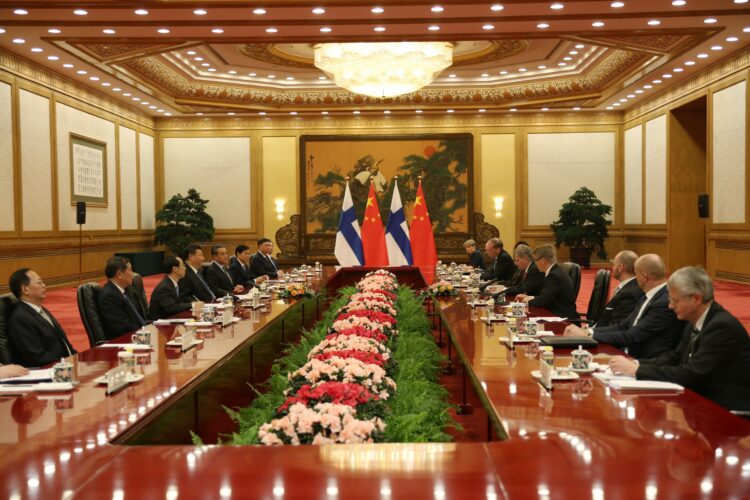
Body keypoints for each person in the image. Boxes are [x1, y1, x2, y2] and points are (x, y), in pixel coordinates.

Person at [610, 266, 750, 412]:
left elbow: (691, 374)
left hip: (727, 412)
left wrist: (638, 370)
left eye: (675, 301)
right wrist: (636, 363)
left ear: (696, 298)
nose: (670, 306)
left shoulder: (721, 326)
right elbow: (675, 357)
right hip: (701, 404)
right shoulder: (694, 319)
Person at [565, 253, 684, 358]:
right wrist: (588, 331)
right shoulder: (648, 296)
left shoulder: (663, 302)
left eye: (636, 275)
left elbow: (633, 335)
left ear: (644, 277)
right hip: (628, 354)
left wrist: (589, 334)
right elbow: (624, 325)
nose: (635, 279)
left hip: (645, 361)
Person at [7, 268, 76, 367]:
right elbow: (37, 357)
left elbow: (63, 344)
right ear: (25, 289)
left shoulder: (40, 310)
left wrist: (78, 358)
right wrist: (66, 364)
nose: (44, 285)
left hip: (66, 364)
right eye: (39, 282)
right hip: (51, 371)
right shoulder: (21, 318)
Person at [516, 244, 579, 320]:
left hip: (563, 319)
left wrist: (526, 300)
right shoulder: (555, 271)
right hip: (557, 314)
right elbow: (546, 297)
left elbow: (543, 301)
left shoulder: (554, 276)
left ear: (542, 260)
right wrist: (529, 297)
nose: (534, 263)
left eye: (535, 260)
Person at [98, 257, 147, 340]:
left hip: (137, 335)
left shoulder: (125, 290)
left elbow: (137, 318)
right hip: (123, 343)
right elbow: (122, 327)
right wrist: (146, 331)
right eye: (130, 270)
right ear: (119, 274)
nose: (133, 274)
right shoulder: (109, 296)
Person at [596, 250, 644, 327]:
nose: (612, 268)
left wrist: (589, 332)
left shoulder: (629, 294)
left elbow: (616, 325)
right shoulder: (630, 286)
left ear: (620, 267)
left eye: (614, 264)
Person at [149, 256, 197, 321]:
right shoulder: (164, 287)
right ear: (175, 269)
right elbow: (172, 307)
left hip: (171, 320)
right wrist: (193, 305)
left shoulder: (172, 283)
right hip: (161, 325)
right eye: (183, 265)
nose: (185, 268)